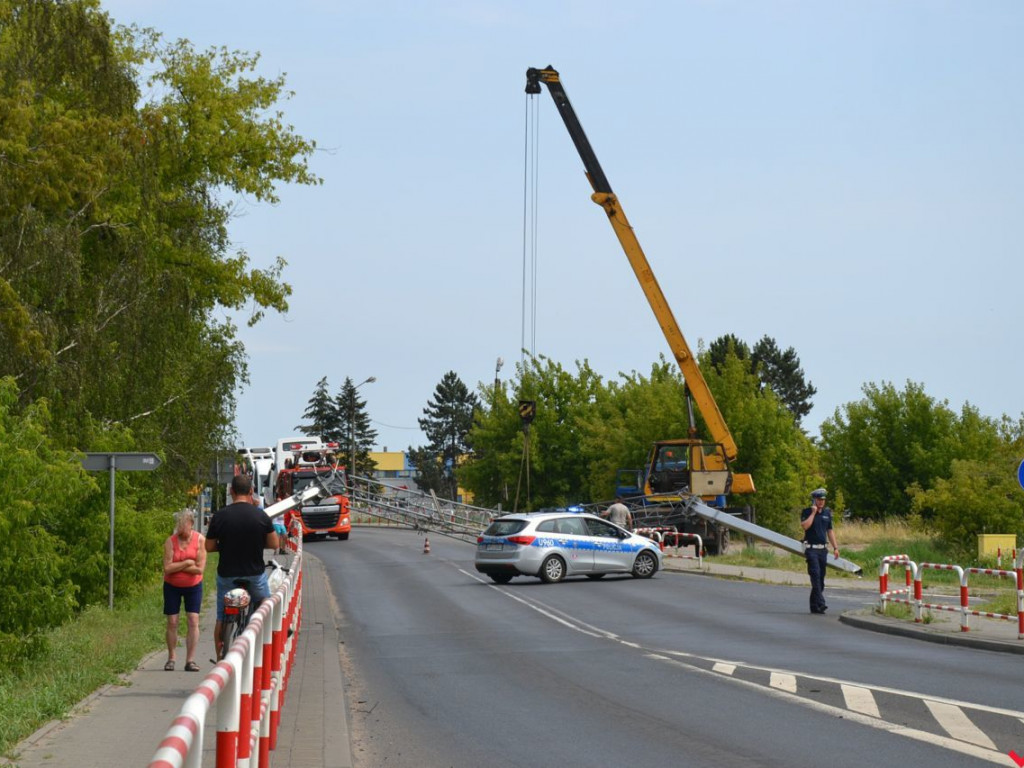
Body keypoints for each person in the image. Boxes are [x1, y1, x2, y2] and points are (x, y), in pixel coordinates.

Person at [205, 474, 279, 659]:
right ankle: (264, 651)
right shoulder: (260, 515)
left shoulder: (220, 516)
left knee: (221, 617)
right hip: (254, 575)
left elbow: (209, 546)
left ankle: (221, 660)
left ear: (231, 492)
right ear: (251, 491)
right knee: (265, 607)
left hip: (227, 575)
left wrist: (226, 544)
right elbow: (274, 544)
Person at [162, 508, 206, 672]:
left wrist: (178, 566)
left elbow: (200, 569)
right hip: (172, 586)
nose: (180, 528)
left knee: (193, 619)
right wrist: (187, 563)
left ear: (191, 524)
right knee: (172, 621)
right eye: (178, 525)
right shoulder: (170, 541)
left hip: (193, 586)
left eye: (183, 525)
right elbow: (167, 568)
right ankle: (171, 657)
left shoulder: (200, 540)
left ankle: (190, 660)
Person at [800, 487, 840, 614]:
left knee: (821, 579)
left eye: (823, 499)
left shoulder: (827, 513)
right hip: (811, 549)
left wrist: (835, 547)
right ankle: (821, 603)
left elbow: (830, 531)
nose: (821, 502)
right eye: (819, 499)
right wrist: (813, 513)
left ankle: (814, 606)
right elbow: (805, 526)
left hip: (823, 550)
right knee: (815, 575)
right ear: (814, 500)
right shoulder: (807, 511)